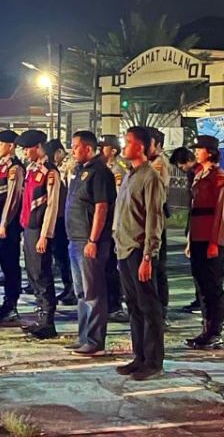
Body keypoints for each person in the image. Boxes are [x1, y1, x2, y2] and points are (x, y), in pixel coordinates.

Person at [113, 126, 167, 381]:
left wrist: (148, 256)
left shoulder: (150, 177)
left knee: (149, 307)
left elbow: (154, 219)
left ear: (141, 147)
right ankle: (140, 357)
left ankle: (154, 361)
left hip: (139, 251)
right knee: (134, 306)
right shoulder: (128, 175)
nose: (124, 146)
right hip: (123, 250)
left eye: (128, 142)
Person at [64, 130, 116, 356]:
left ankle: (95, 341)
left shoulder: (99, 172)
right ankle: (84, 336)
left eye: (75, 147)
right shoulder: (81, 171)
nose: (72, 151)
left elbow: (101, 207)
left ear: (87, 147)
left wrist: (93, 239)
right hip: (75, 239)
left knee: (93, 292)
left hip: (89, 240)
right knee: (81, 292)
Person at [185, 135, 224, 350]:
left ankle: (215, 332)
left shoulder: (218, 177)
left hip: (210, 238)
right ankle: (206, 329)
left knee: (213, 287)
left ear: (209, 152)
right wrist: (189, 241)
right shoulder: (199, 174)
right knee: (201, 285)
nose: (196, 152)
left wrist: (215, 241)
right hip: (197, 237)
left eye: (199, 149)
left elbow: (220, 212)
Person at [18, 129, 61, 339]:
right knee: (33, 274)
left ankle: (48, 321)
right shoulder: (31, 170)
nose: (25, 153)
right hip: (29, 228)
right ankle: (39, 316)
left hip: (39, 230)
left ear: (38, 148)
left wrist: (45, 235)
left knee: (42, 274)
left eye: (27, 149)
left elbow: (51, 207)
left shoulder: (49, 172)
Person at [0, 129, 25, 322]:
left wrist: (5, 222)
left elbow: (12, 198)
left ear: (11, 146)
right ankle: (6, 303)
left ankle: (12, 305)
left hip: (10, 222)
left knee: (11, 264)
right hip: (0, 219)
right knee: (4, 264)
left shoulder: (14, 168)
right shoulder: (0, 166)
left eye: (0, 144)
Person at [172, 146, 203, 315]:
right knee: (196, 270)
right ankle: (199, 299)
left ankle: (201, 302)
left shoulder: (200, 174)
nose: (181, 170)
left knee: (204, 272)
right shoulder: (194, 174)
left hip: (200, 228)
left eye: (181, 166)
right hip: (193, 224)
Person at [100, 134, 128, 323]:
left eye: (104, 147)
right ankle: (109, 302)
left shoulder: (118, 169)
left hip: (114, 224)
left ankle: (115, 304)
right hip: (106, 223)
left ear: (113, 150)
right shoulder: (105, 168)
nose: (101, 150)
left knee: (112, 267)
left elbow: (118, 199)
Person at [47, 138, 77, 306]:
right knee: (60, 256)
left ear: (59, 152)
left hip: (66, 216)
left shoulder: (70, 165)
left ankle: (72, 288)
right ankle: (67, 287)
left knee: (67, 256)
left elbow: (71, 191)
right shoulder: (59, 166)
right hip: (59, 216)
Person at [148, 129, 172, 323]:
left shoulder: (158, 164)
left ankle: (160, 309)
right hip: (149, 218)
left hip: (156, 218)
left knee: (158, 266)